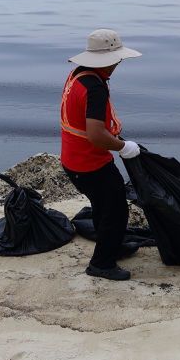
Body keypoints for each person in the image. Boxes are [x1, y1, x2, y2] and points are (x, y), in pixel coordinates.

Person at [60, 29, 143, 280]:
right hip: (90, 164)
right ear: (110, 60)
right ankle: (102, 264)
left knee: (102, 207)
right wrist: (124, 147)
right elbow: (96, 134)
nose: (119, 64)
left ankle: (112, 247)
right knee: (116, 211)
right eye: (117, 59)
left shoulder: (78, 75)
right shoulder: (95, 88)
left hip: (72, 160)